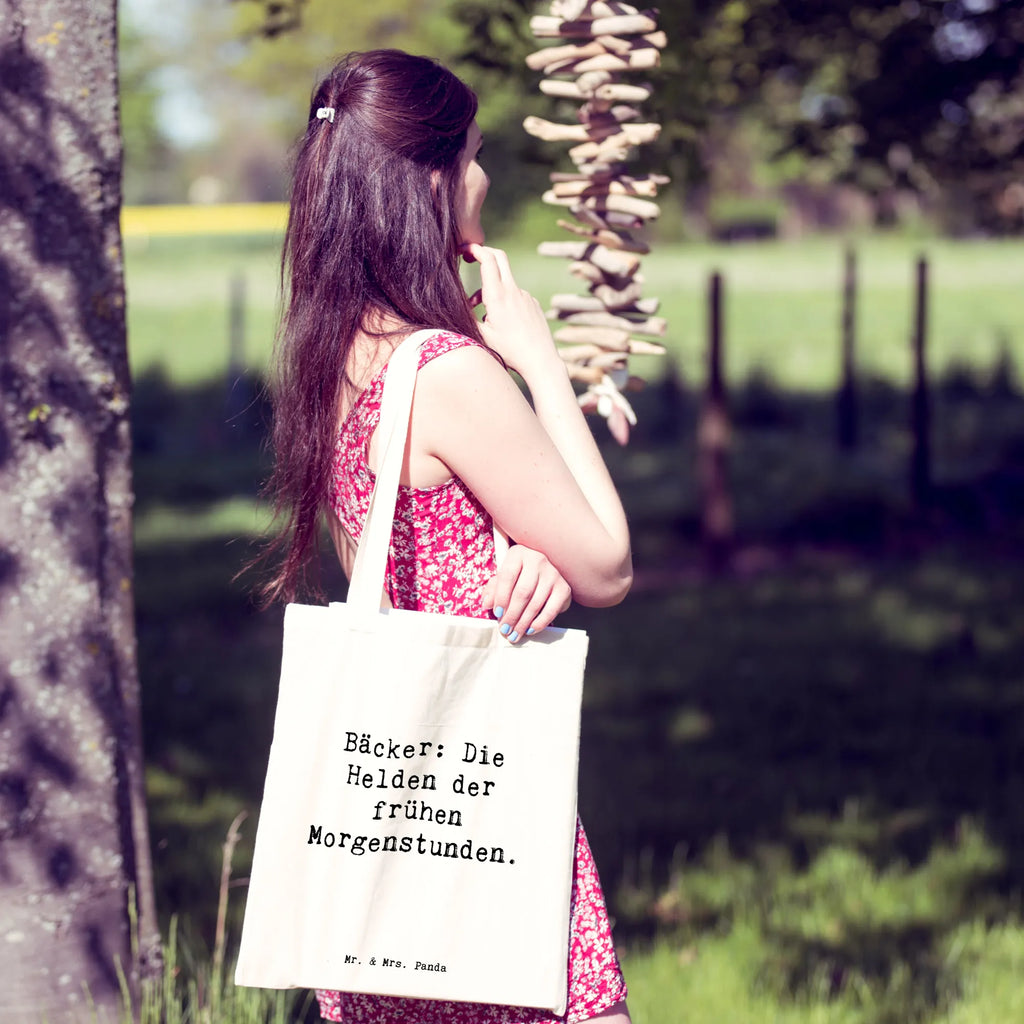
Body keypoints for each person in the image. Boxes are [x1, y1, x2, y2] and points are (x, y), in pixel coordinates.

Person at [260, 49, 634, 1024]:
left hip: (386, 838)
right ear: (429, 179)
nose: (484, 177)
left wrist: (515, 555)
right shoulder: (449, 372)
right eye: (471, 155)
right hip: (477, 818)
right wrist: (541, 363)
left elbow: (391, 555)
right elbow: (608, 562)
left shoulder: (335, 353)